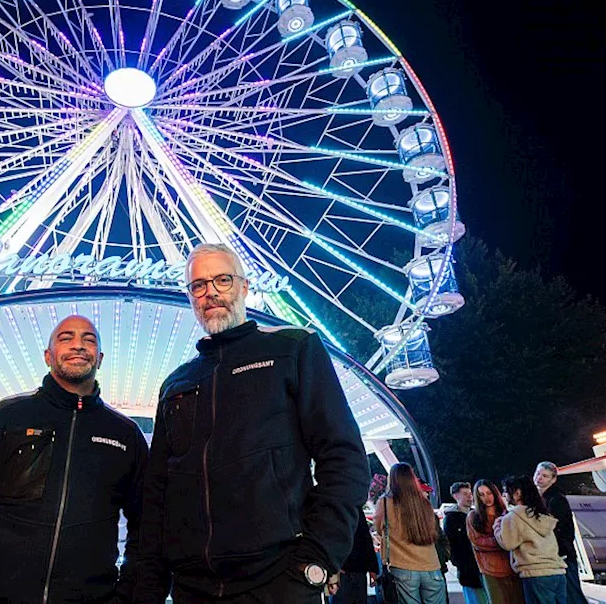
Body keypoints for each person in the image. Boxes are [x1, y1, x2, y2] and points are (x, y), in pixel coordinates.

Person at [133, 243, 370, 603]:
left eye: (222, 280)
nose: (210, 291)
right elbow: (157, 492)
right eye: (198, 285)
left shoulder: (293, 349)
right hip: (193, 586)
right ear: (190, 297)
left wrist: (319, 555)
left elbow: (344, 456)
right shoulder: (176, 384)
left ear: (244, 287)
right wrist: (150, 583)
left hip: (278, 581)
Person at [0, 314, 148, 604]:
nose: (78, 345)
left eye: (88, 339)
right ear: (48, 356)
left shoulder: (125, 435)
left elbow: (147, 527)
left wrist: (127, 596)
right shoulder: (3, 418)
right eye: (66, 338)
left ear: (99, 358)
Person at [373, 463, 445, 604]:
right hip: (432, 567)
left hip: (402, 567)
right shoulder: (424, 503)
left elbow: (379, 528)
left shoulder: (386, 503)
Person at [494, 476, 567, 604]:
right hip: (557, 571)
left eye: (506, 491)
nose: (504, 495)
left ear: (517, 493)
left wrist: (497, 528)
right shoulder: (541, 513)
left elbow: (507, 543)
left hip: (535, 574)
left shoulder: (513, 516)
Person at [466, 480, 525, 604]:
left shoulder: (506, 514)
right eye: (481, 494)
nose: (486, 497)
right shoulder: (473, 517)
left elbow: (515, 538)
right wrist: (502, 541)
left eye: (489, 493)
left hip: (512, 568)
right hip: (490, 570)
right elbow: (478, 542)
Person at [532, 462, 582, 604]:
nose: (539, 478)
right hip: (553, 555)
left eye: (545, 476)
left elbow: (555, 527)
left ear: (553, 479)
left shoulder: (556, 499)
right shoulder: (538, 498)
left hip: (562, 555)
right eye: (538, 474)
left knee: (571, 595)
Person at [445, 482, 487, 604]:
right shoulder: (451, 519)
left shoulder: (477, 515)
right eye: (465, 494)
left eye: (470, 494)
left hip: (482, 566)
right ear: (455, 496)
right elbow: (452, 544)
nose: (470, 497)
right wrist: (459, 562)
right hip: (467, 568)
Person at [329, 508, 380, 604]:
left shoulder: (331, 503)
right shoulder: (355, 504)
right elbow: (365, 537)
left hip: (340, 566)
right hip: (358, 567)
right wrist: (372, 567)